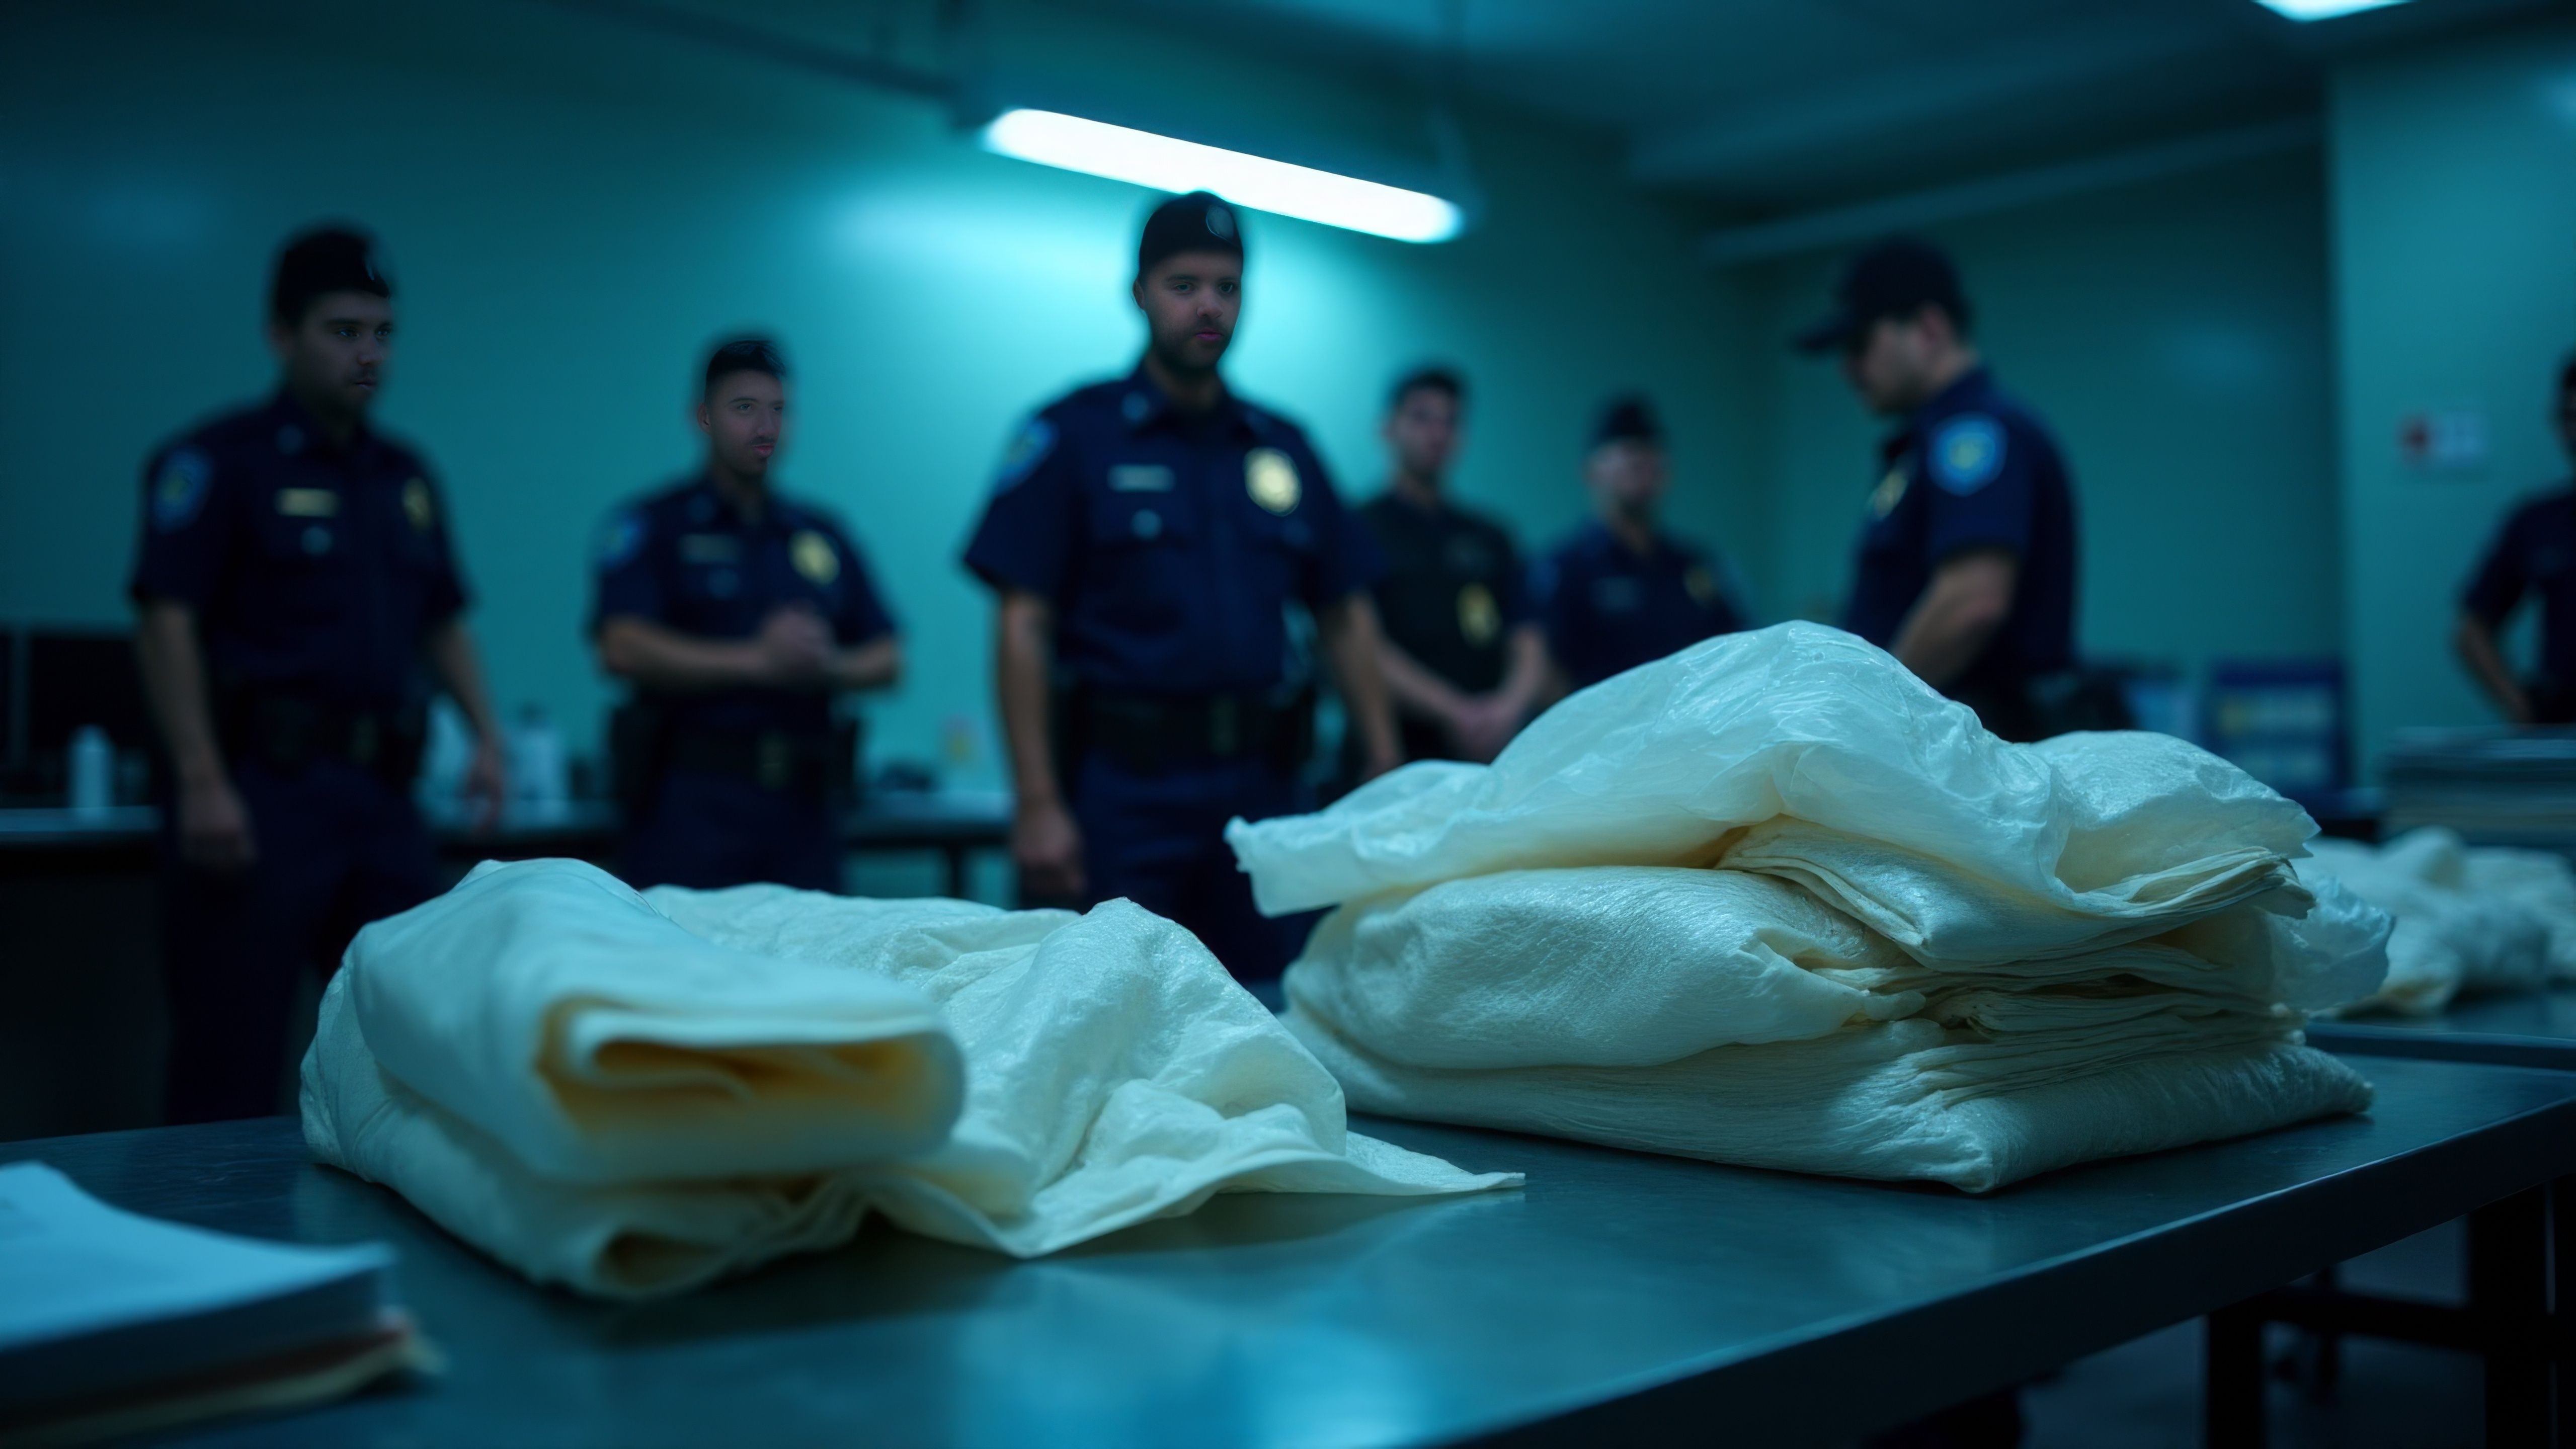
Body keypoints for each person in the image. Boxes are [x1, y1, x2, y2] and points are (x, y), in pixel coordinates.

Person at [962, 190, 1400, 985]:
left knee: (1277, 1008)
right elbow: (1023, 622)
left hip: (1266, 792)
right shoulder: (1073, 436)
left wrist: (1382, 756)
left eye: (1227, 287)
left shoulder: (1282, 447)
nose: (1208, 306)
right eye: (1184, 284)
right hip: (1126, 792)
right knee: (1108, 1006)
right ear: (1139, 292)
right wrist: (1035, 800)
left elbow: (1343, 612)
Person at [130, 225, 506, 1124]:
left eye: (382, 332)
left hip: (381, 800)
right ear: (280, 335)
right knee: (231, 1063)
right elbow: (163, 621)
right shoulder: (220, 463)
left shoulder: (405, 476)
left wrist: (488, 737)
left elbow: (442, 621)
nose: (367, 352)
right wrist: (201, 780)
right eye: (342, 330)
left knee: (416, 1047)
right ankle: (211, 1262)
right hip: (263, 795)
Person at [591, 339, 902, 892]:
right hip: (690, 800)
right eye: (744, 408)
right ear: (702, 417)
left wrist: (824, 665)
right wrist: (759, 661)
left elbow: (888, 657)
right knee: (683, 971)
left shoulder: (818, 533)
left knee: (816, 969)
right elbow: (622, 645)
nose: (764, 426)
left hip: (805, 805)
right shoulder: (655, 526)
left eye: (778, 410)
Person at [1796, 236, 2081, 743]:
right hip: (1947, 743)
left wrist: (1864, 719)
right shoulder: (1928, 444)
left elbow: (1972, 599)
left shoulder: (1971, 434)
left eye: (1860, 344)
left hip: (1973, 745)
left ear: (1928, 329)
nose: (1847, 368)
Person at [1352, 366, 1548, 768]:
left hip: (1492, 753)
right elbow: (1356, 643)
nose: (1437, 433)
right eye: (1422, 418)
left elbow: (1528, 636)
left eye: (1450, 421)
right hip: (1397, 755)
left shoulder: (1491, 536)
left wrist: (1508, 708)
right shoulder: (1356, 529)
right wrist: (1455, 710)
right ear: (1388, 428)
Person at [1529, 394, 1750, 692]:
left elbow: (1737, 650)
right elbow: (1545, 674)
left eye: (1651, 453)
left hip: (1693, 731)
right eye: (1627, 453)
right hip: (1601, 732)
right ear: (1591, 471)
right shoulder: (1564, 569)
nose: (1642, 461)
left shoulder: (1696, 566)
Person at [2456, 358, 2576, 723]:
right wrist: (2521, 707)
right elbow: (2471, 632)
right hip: (2563, 739)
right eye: (2570, 418)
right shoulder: (2537, 522)